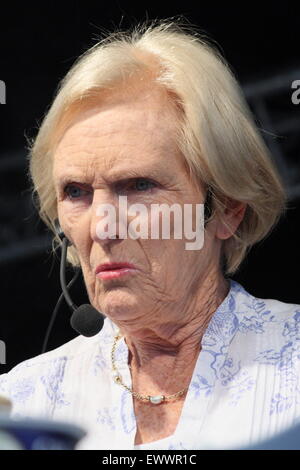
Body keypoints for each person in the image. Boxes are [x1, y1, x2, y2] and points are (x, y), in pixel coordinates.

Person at [0, 19, 299, 450]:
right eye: (77, 192)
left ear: (227, 210)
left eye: (138, 186)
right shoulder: (24, 404)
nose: (102, 227)